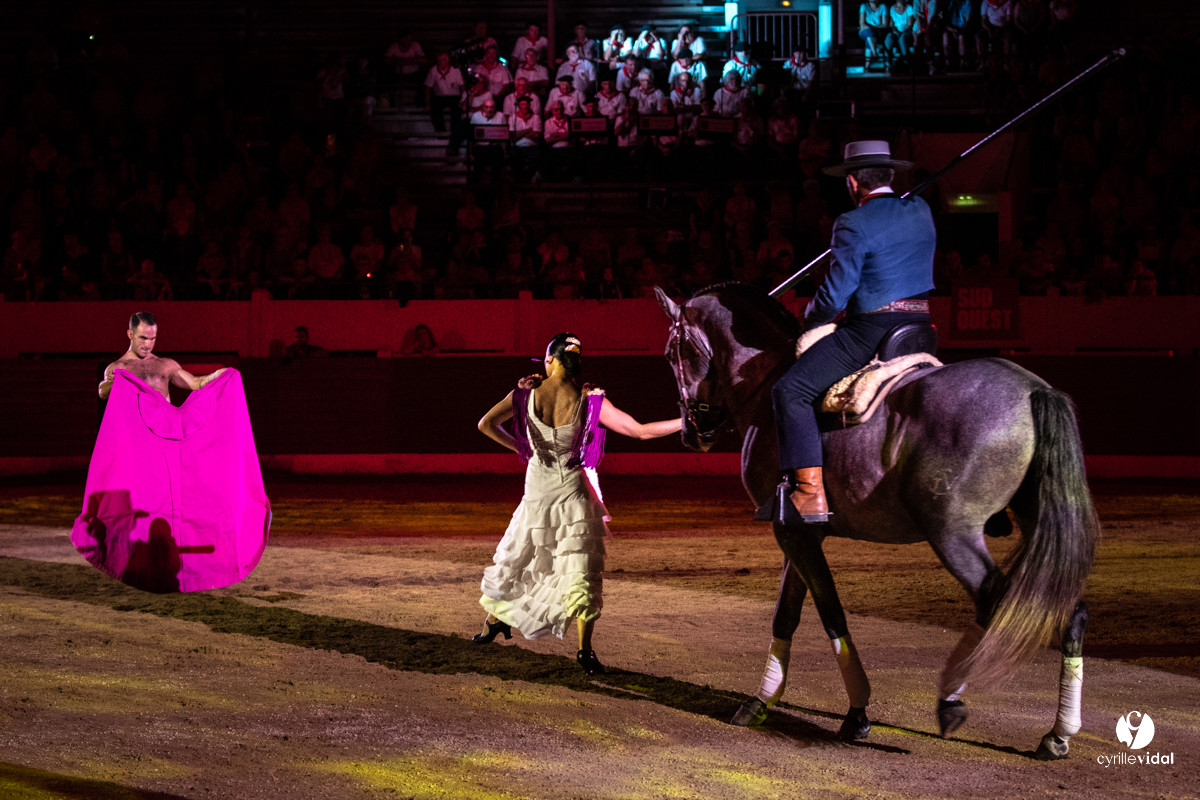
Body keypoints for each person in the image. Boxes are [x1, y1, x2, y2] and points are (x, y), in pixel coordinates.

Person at [473, 333, 682, 674]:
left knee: (520, 557)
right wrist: (687, 422)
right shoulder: (590, 400)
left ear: (551, 360)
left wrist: (522, 449)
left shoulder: (525, 393)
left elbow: (486, 424)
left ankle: (493, 622)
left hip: (537, 491)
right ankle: (585, 651)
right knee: (581, 571)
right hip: (573, 495)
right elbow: (641, 431)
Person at [771, 141, 935, 524]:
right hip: (920, 325)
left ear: (852, 182)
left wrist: (810, 319)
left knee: (790, 390)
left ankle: (810, 494)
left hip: (872, 329)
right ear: (891, 176)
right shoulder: (922, 210)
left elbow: (835, 296)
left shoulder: (852, 222)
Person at [99, 311, 226, 400]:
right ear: (130, 334)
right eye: (143, 338)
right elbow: (102, 392)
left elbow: (195, 383)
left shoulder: (165, 365)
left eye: (152, 338)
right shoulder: (119, 367)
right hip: (136, 432)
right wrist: (123, 381)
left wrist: (217, 375)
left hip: (163, 431)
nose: (148, 344)